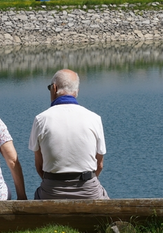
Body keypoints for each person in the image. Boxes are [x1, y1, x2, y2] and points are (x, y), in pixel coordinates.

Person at [28, 69, 109, 199]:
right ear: (76, 91)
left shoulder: (41, 119)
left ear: (54, 88)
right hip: (88, 191)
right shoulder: (94, 118)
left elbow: (39, 166)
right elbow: (99, 165)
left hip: (52, 191)